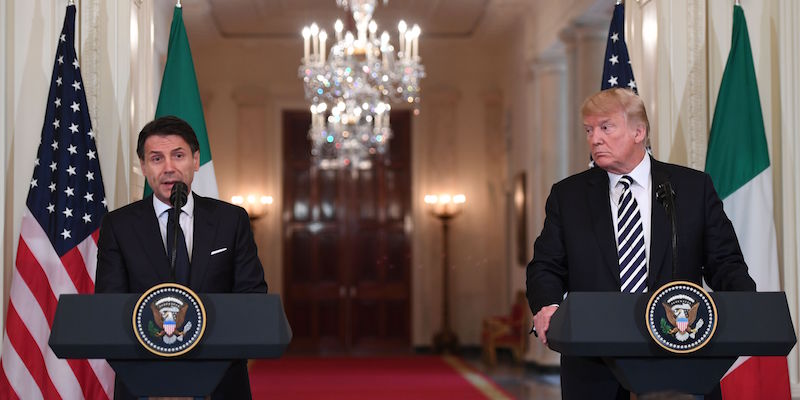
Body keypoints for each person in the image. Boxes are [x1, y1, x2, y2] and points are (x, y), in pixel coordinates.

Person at [526, 88, 755, 400]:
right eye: (589, 130)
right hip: (595, 364)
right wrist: (547, 304)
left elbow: (725, 261)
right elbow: (546, 265)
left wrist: (745, 307)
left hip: (679, 353)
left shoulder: (691, 188)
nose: (595, 139)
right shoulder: (568, 196)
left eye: (606, 127)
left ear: (639, 131)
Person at [96, 115, 267, 399]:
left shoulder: (230, 220)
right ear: (143, 166)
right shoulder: (119, 226)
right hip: (143, 381)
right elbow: (110, 304)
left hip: (221, 380)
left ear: (196, 160)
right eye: (156, 158)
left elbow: (252, 296)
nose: (169, 168)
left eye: (178, 155)